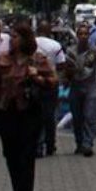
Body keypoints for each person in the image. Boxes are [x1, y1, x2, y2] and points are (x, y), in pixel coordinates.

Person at [0, 23, 57, 191]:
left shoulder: (37, 60)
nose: (13, 39)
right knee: (11, 155)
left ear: (26, 39)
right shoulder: (3, 60)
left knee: (27, 156)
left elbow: (53, 82)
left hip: (29, 112)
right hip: (7, 112)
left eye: (17, 36)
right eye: (12, 36)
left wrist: (37, 78)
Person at [64, 21, 96, 157]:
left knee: (90, 116)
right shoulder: (70, 50)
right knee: (77, 117)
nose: (83, 36)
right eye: (80, 34)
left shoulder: (95, 51)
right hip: (76, 86)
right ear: (77, 35)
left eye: (86, 34)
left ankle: (88, 143)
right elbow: (66, 71)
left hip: (91, 86)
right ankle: (79, 143)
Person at [34, 22, 66, 157]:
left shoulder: (31, 44)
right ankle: (50, 145)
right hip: (51, 84)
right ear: (49, 31)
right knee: (50, 115)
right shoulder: (55, 45)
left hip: (34, 83)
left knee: (36, 115)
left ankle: (38, 145)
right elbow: (61, 64)